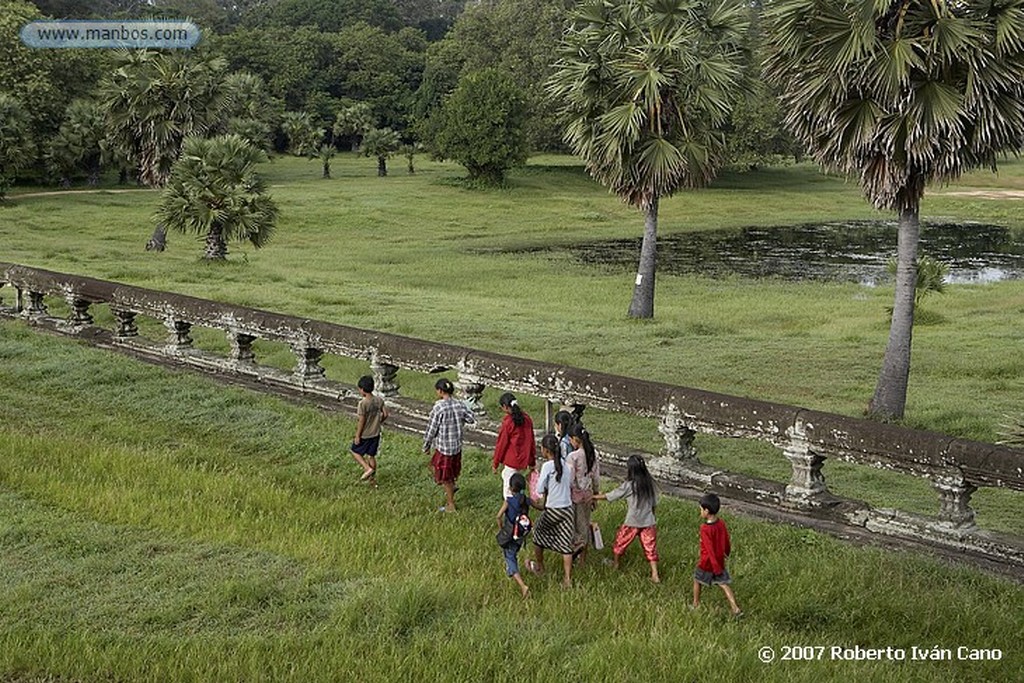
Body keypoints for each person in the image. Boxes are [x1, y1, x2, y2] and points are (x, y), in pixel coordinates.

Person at [594, 455, 660, 583]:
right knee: (650, 548)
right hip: (648, 521)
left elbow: (613, 495)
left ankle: (616, 564)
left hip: (632, 521)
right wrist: (652, 515)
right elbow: (654, 504)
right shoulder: (650, 483)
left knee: (620, 542)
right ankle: (655, 574)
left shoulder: (630, 485)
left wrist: (595, 497)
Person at [527, 434, 576, 588]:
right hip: (567, 509)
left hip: (553, 508)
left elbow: (540, 488)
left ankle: (540, 567)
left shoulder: (547, 466)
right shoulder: (566, 466)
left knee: (538, 534)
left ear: (545, 450)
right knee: (566, 544)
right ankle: (567, 579)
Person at [422, 378, 476, 512]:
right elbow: (471, 418)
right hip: (456, 447)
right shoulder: (460, 405)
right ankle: (452, 486)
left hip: (444, 448)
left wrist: (426, 445)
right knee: (438, 468)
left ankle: (450, 504)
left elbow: (432, 429)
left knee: (445, 477)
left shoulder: (439, 407)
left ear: (440, 391)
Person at [692, 492, 742, 616]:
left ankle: (695, 604)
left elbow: (709, 549)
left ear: (706, 511)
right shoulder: (721, 523)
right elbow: (726, 539)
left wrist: (714, 566)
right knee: (723, 584)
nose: (700, 512)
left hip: (707, 562)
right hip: (720, 560)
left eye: (701, 509)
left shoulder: (705, 528)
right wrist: (727, 552)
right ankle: (735, 608)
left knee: (697, 580)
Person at [492, 392, 536, 499]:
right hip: (524, 459)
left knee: (508, 488)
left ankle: (511, 509)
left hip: (512, 460)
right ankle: (520, 503)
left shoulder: (508, 422)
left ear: (505, 407)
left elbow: (501, 444)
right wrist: (532, 461)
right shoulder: (527, 419)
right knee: (517, 482)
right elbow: (531, 441)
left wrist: (495, 463)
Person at [497, 472, 533, 598]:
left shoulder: (509, 501)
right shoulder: (526, 500)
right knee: (514, 553)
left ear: (511, 488)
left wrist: (502, 528)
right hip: (521, 535)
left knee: (510, 557)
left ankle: (523, 586)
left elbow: (498, 516)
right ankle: (511, 571)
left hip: (510, 533)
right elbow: (539, 506)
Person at [567, 423, 600, 562]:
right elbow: (596, 478)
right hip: (588, 493)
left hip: (575, 496)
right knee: (585, 524)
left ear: (575, 439)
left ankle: (574, 554)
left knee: (575, 528)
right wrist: (596, 495)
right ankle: (582, 560)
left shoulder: (573, 457)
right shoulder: (593, 453)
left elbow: (570, 480)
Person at [351, 375, 388, 484]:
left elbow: (361, 421)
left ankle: (367, 468)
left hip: (365, 434)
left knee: (355, 451)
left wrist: (358, 435)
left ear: (362, 389)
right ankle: (372, 479)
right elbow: (385, 414)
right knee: (371, 455)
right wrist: (379, 422)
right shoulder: (379, 400)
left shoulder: (363, 404)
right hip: (376, 433)